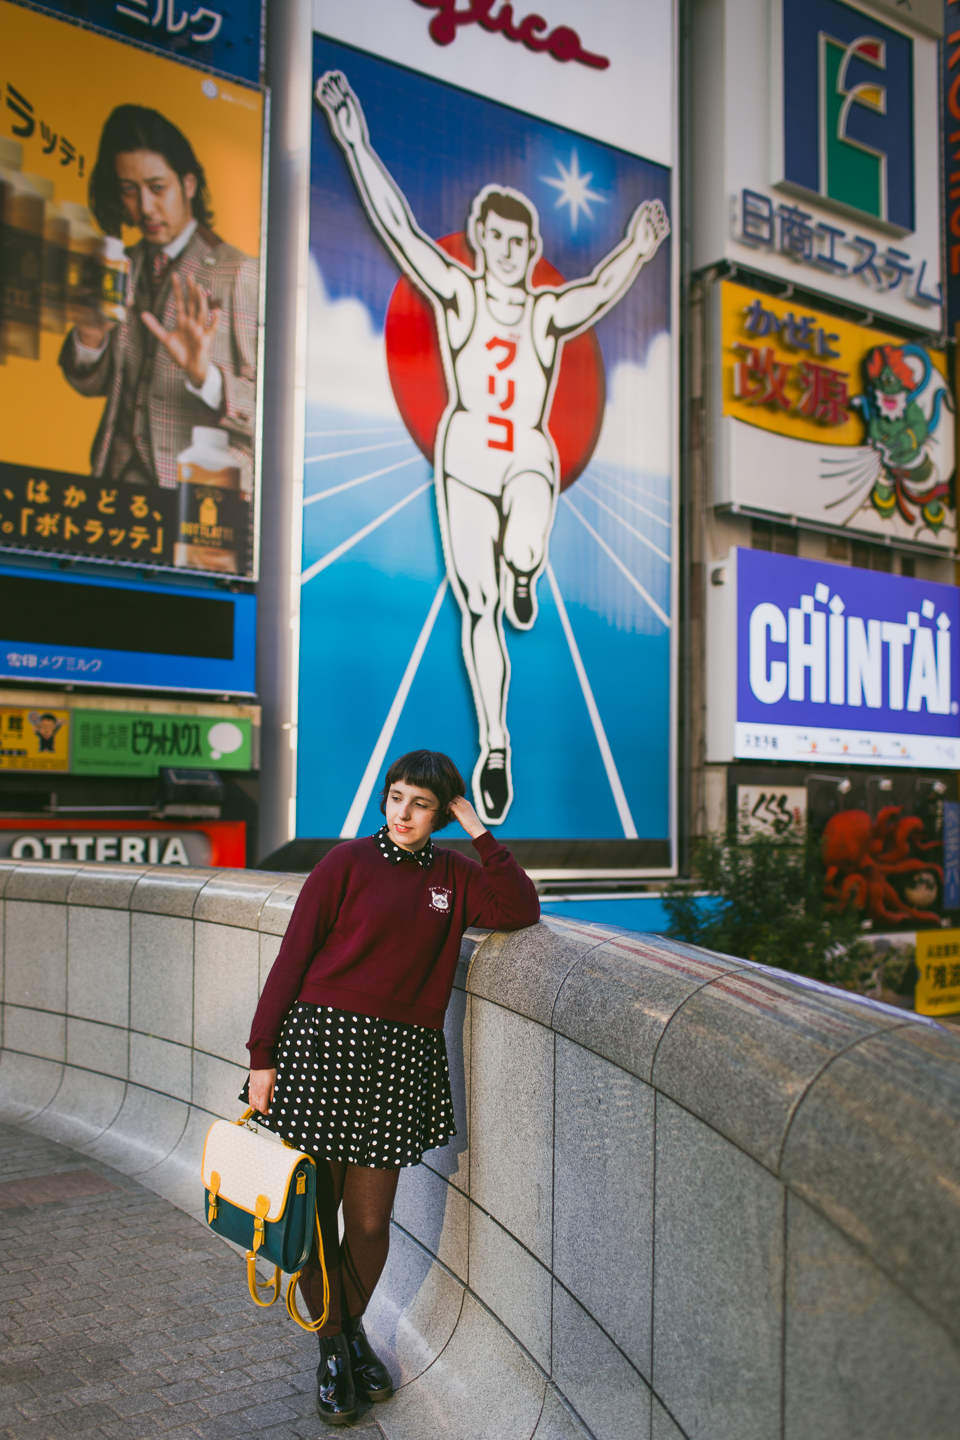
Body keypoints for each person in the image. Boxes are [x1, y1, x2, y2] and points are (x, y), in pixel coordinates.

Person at [317, 70, 669, 827]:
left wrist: (638, 249)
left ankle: (525, 569)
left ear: (531, 246)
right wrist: (353, 138)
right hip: (467, 448)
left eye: (519, 241)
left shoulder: (544, 312)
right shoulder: (459, 292)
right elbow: (399, 229)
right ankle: (498, 742)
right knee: (477, 606)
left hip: (526, 453)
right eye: (496, 238)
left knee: (531, 520)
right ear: (481, 240)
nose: (507, 250)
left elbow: (601, 291)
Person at [243, 749, 540, 1425]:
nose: (404, 814)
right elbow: (293, 958)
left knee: (371, 1222)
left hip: (401, 1058)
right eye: (397, 798)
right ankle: (334, 1350)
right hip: (322, 1049)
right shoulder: (344, 864)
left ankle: (347, 1332)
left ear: (441, 814)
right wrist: (263, 1055)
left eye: (423, 804)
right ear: (385, 799)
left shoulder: (453, 875)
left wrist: (479, 829)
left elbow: (520, 909)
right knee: (317, 1222)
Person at [59, 105, 258, 492]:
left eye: (157, 188)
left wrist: (207, 377)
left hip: (198, 497)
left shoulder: (237, 271)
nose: (145, 208)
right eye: (129, 190)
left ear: (188, 184)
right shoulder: (122, 265)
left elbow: (268, 411)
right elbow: (97, 386)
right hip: (114, 483)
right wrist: (90, 338)